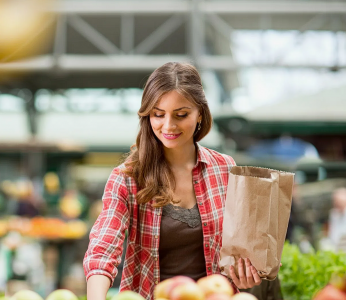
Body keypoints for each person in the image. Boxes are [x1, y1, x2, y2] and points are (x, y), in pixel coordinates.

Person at [83, 62, 261, 300]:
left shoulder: (225, 169)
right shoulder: (127, 177)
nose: (168, 126)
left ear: (200, 113)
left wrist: (246, 272)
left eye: (181, 115)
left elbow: (241, 249)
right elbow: (103, 247)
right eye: (158, 114)